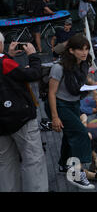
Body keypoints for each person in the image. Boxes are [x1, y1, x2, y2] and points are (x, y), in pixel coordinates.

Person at [47, 34, 97, 190]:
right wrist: (55, 117)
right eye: (80, 49)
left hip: (74, 103)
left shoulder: (82, 64)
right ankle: (76, 173)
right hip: (61, 105)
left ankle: (64, 164)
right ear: (71, 50)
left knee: (70, 136)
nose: (84, 52)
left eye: (86, 49)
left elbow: (83, 79)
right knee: (81, 134)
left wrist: (94, 83)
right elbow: (51, 93)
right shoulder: (58, 67)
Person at [0, 35, 48, 192]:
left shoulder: (6, 61)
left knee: (5, 164)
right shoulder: (5, 63)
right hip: (19, 118)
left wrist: (9, 55)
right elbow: (33, 75)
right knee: (32, 160)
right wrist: (33, 56)